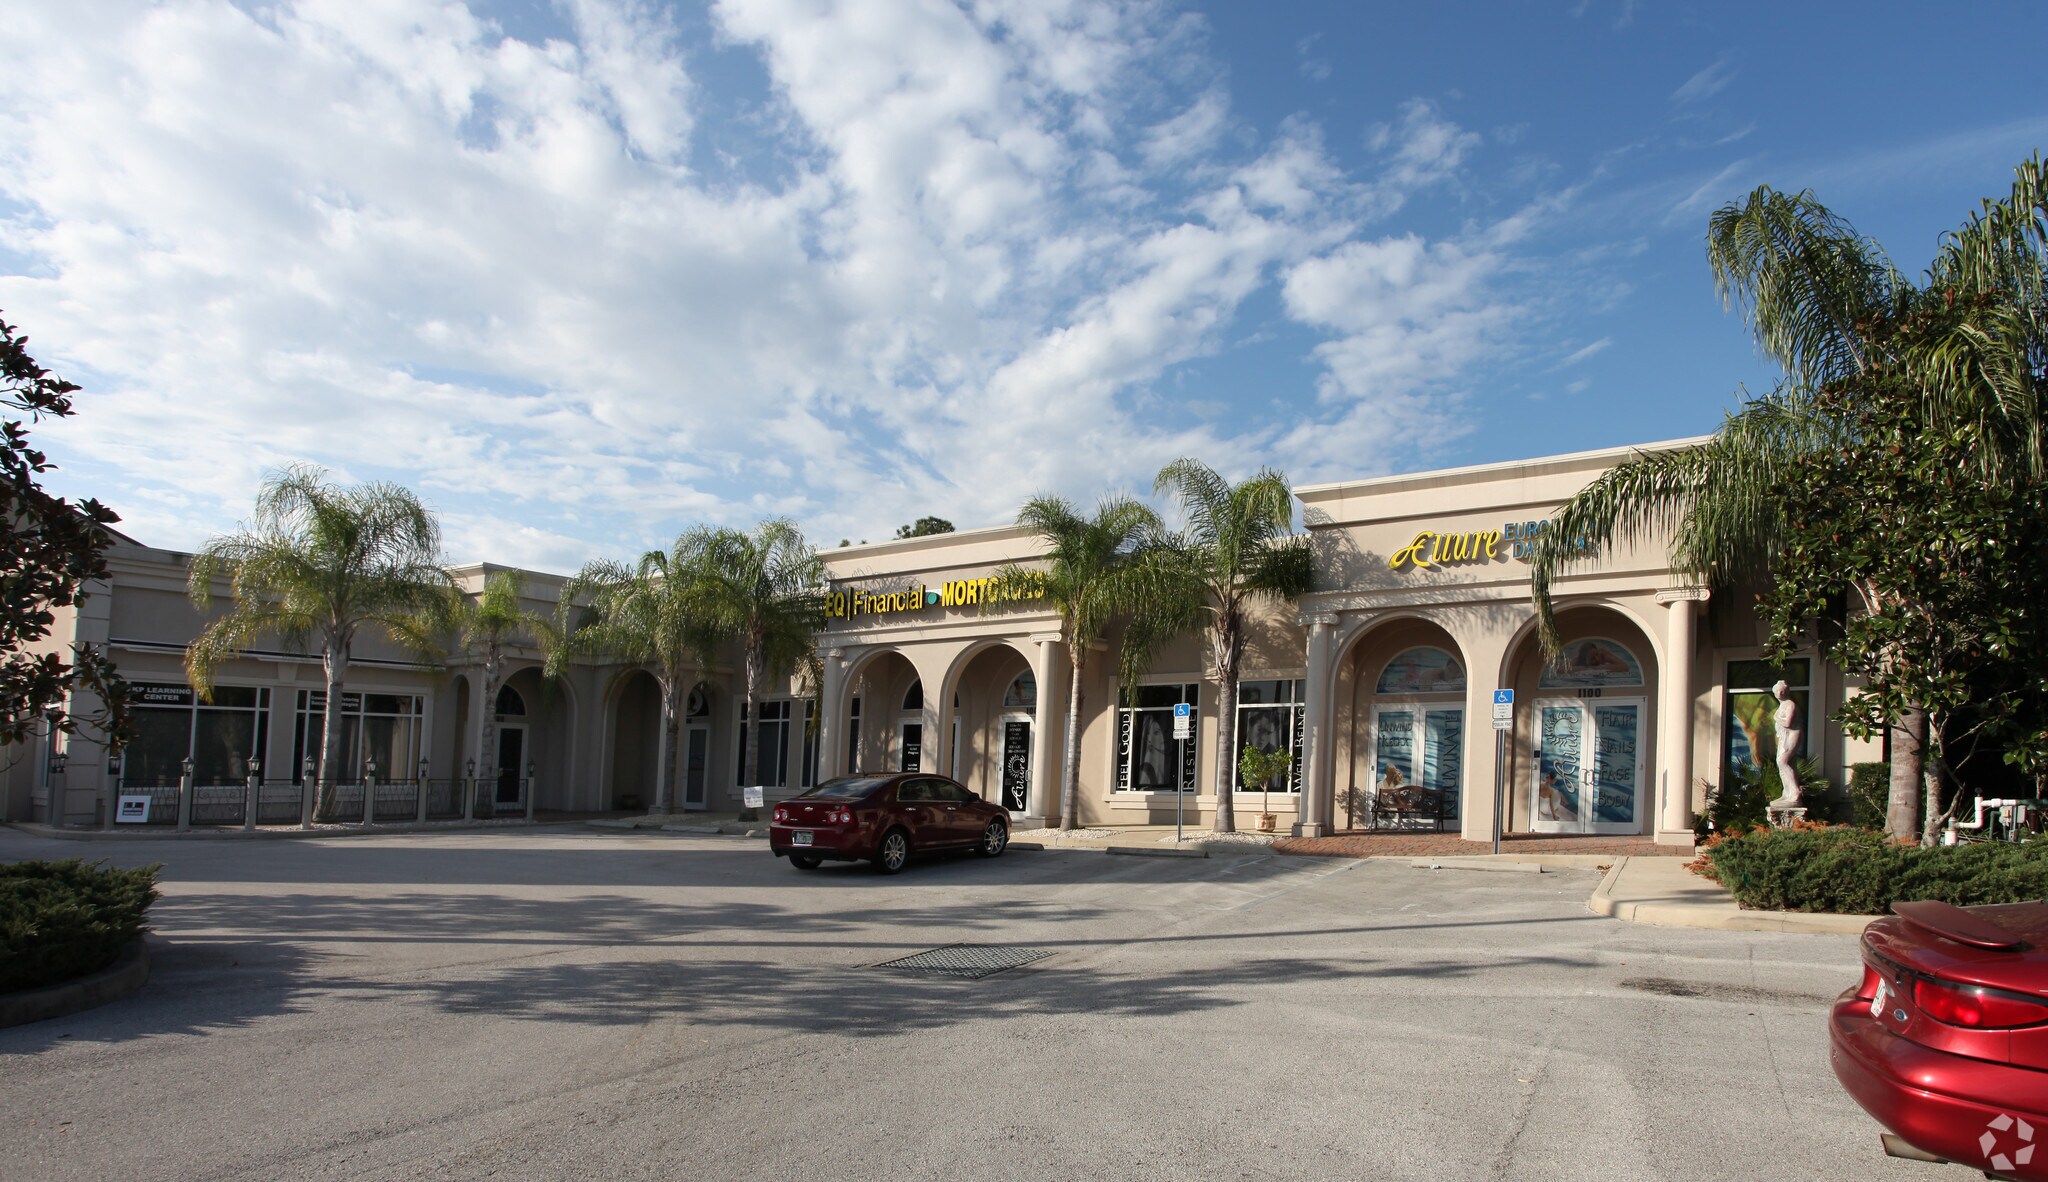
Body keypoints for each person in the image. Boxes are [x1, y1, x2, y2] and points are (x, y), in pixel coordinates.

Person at [1770, 680, 1802, 807]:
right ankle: (1787, 792)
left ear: (1785, 691)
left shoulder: (1790, 705)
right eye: (1776, 690)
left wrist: (1776, 717)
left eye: (1780, 690)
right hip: (1783, 737)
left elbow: (1788, 723)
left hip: (1792, 735)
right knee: (1786, 763)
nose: (1779, 693)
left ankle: (1795, 792)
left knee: (1783, 761)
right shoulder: (1782, 705)